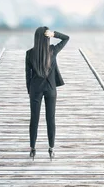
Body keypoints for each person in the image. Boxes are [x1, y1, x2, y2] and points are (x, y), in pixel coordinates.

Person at [25, 26, 70, 160]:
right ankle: (51, 148)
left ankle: (32, 149)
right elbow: (66, 38)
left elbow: (27, 76)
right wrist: (54, 34)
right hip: (50, 89)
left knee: (34, 119)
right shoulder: (53, 51)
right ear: (47, 38)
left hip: (35, 90)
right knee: (50, 119)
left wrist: (30, 91)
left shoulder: (29, 53)